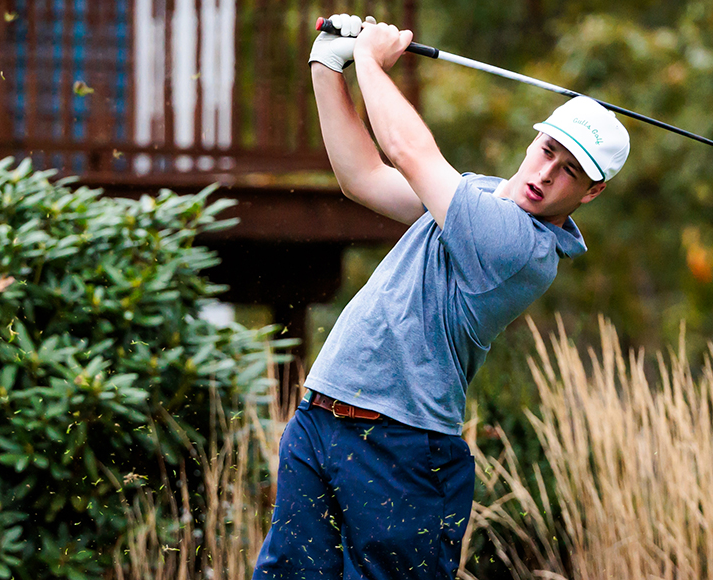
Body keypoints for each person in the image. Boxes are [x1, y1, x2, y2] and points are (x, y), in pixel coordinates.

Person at [252, 13, 630, 580]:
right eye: (549, 149)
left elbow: (407, 149)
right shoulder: (474, 195)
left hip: (399, 450)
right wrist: (327, 66)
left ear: (592, 192)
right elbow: (363, 176)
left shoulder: (519, 246)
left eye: (571, 171)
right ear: (535, 137)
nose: (547, 172)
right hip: (320, 420)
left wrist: (372, 62)